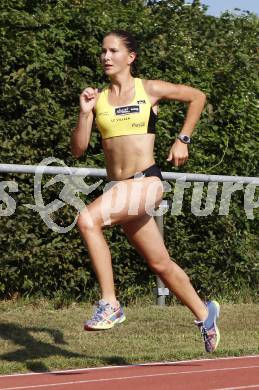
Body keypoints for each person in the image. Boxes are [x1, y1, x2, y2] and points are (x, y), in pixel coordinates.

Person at [71, 30, 220, 353]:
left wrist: (183, 139)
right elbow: (79, 150)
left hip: (147, 181)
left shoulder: (147, 89)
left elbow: (197, 96)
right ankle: (205, 314)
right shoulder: (98, 100)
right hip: (120, 188)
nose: (106, 57)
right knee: (160, 264)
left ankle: (110, 303)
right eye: (103, 52)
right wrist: (84, 114)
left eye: (113, 51)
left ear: (131, 57)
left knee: (87, 220)